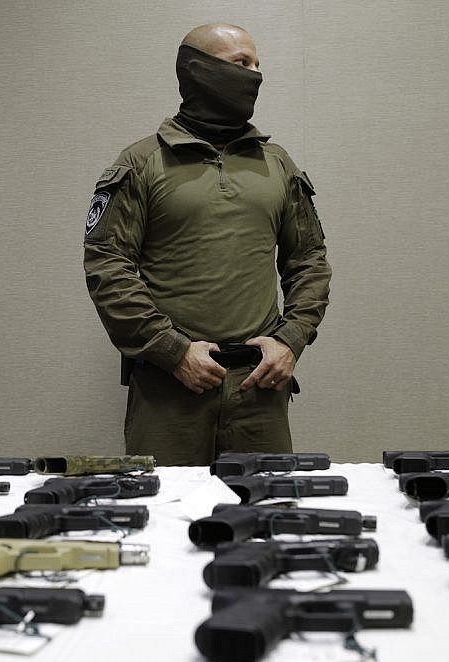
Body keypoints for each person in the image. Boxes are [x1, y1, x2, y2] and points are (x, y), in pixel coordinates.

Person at [83, 23, 331, 466]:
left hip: (259, 388)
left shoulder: (277, 165)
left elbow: (309, 261)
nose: (255, 75)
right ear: (198, 70)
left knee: (268, 519)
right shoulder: (141, 164)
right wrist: (172, 351)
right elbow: (108, 268)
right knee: (165, 521)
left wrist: (290, 340)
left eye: (258, 65)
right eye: (241, 64)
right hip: (168, 392)